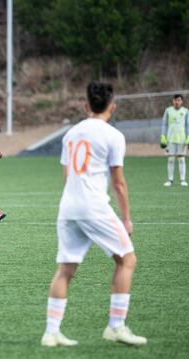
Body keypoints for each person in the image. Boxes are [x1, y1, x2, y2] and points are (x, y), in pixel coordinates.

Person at [41, 82, 146, 347]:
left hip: (68, 207)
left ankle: (51, 332)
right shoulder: (113, 136)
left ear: (86, 106)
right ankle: (116, 326)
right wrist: (126, 218)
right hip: (94, 207)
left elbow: (67, 176)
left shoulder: (71, 134)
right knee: (127, 260)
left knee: (65, 269)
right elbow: (118, 182)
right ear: (112, 107)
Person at [160, 94, 189, 187]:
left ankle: (182, 180)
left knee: (181, 159)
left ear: (182, 101)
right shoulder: (168, 111)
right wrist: (163, 136)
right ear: (173, 101)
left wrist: (188, 137)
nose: (177, 102)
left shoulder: (185, 111)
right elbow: (164, 124)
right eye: (175, 100)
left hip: (182, 139)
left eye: (179, 100)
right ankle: (170, 180)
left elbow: (187, 125)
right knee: (171, 160)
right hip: (170, 139)